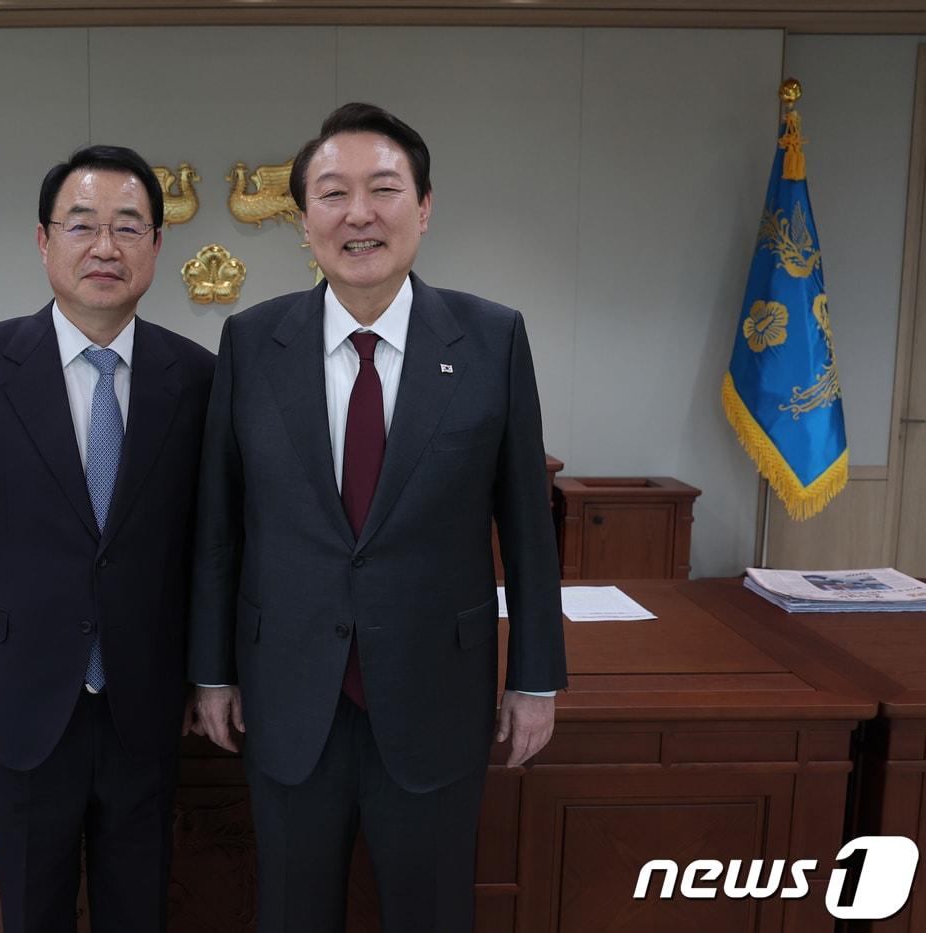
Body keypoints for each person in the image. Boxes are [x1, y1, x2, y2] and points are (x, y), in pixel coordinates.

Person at [188, 103, 567, 933]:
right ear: (305, 220)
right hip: (286, 694)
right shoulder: (252, 342)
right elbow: (221, 524)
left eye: (384, 189)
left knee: (432, 913)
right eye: (332, 193)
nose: (359, 213)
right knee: (291, 911)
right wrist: (212, 670)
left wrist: (535, 677)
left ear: (424, 208)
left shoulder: (491, 338)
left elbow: (528, 530)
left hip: (439, 693)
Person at [0, 144, 215, 933]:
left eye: (128, 226)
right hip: (17, 693)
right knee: (32, 909)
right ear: (44, 241)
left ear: (156, 244)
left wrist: (209, 668)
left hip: (148, 698)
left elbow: (212, 544)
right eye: (82, 225)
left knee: (138, 907)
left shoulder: (197, 377)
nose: (105, 247)